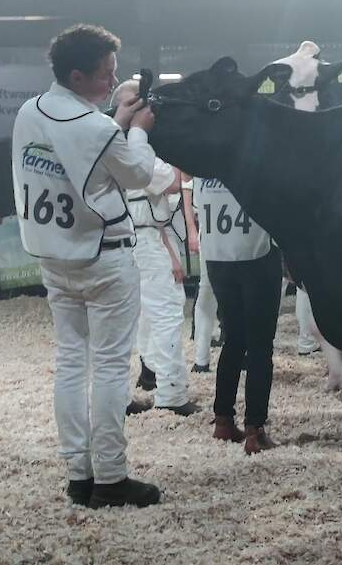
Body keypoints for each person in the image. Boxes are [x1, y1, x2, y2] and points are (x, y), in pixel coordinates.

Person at [12, 24, 161, 509]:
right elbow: (136, 173)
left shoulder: (29, 112)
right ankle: (112, 478)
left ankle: (79, 473)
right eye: (106, 74)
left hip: (55, 257)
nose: (113, 80)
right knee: (112, 368)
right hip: (105, 258)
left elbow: (79, 147)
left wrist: (113, 118)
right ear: (77, 75)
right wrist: (136, 130)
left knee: (72, 363)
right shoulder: (99, 129)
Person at [109, 79, 197, 417]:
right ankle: (171, 393)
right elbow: (173, 181)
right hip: (145, 238)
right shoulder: (136, 148)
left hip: (117, 242)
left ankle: (144, 376)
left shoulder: (104, 142)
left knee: (129, 319)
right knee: (167, 313)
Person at [201, 176, 283, 454]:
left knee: (234, 339)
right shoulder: (246, 160)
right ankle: (254, 430)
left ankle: (223, 419)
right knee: (260, 345)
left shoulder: (203, 168)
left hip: (217, 256)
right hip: (255, 255)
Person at [181, 172, 220, 374]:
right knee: (207, 291)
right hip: (210, 229)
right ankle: (201, 358)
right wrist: (191, 230)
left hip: (235, 228)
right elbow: (185, 183)